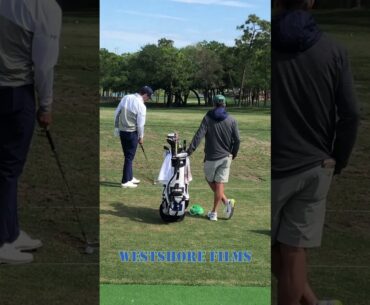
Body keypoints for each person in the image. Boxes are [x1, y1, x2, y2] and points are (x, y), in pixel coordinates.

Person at [271, 0, 360, 304]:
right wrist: (339, 159)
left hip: (274, 167)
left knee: (273, 247)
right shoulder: (333, 51)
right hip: (314, 165)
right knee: (293, 250)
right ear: (310, 2)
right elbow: (350, 115)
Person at [0, 0, 62, 264]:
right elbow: (44, 65)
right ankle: (2, 242)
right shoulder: (45, 8)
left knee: (6, 171)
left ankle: (11, 232)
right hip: (15, 93)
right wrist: (45, 106)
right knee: (7, 170)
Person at [187, 95, 240, 221]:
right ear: (224, 104)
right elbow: (237, 139)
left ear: (214, 104)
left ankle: (214, 212)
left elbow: (199, 135)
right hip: (226, 156)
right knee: (219, 183)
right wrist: (234, 153)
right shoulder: (232, 120)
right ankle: (226, 203)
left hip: (211, 157)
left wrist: (190, 150)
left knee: (212, 181)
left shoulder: (207, 118)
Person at [114, 86, 153, 188]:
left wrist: (116, 127)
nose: (148, 100)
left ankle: (130, 177)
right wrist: (141, 136)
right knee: (129, 157)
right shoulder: (141, 106)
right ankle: (125, 181)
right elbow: (140, 124)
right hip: (132, 133)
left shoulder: (126, 97)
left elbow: (117, 112)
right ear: (144, 95)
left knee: (128, 156)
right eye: (148, 97)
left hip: (123, 131)